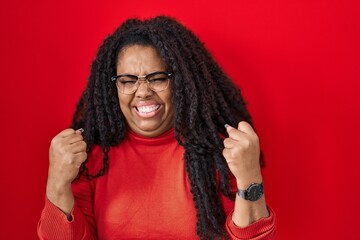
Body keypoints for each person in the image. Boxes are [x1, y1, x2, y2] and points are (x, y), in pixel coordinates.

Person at [37, 16, 276, 239]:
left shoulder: (219, 152)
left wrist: (250, 177)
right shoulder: (91, 157)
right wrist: (56, 182)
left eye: (158, 78)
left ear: (181, 82)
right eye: (128, 81)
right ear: (114, 87)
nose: (142, 92)